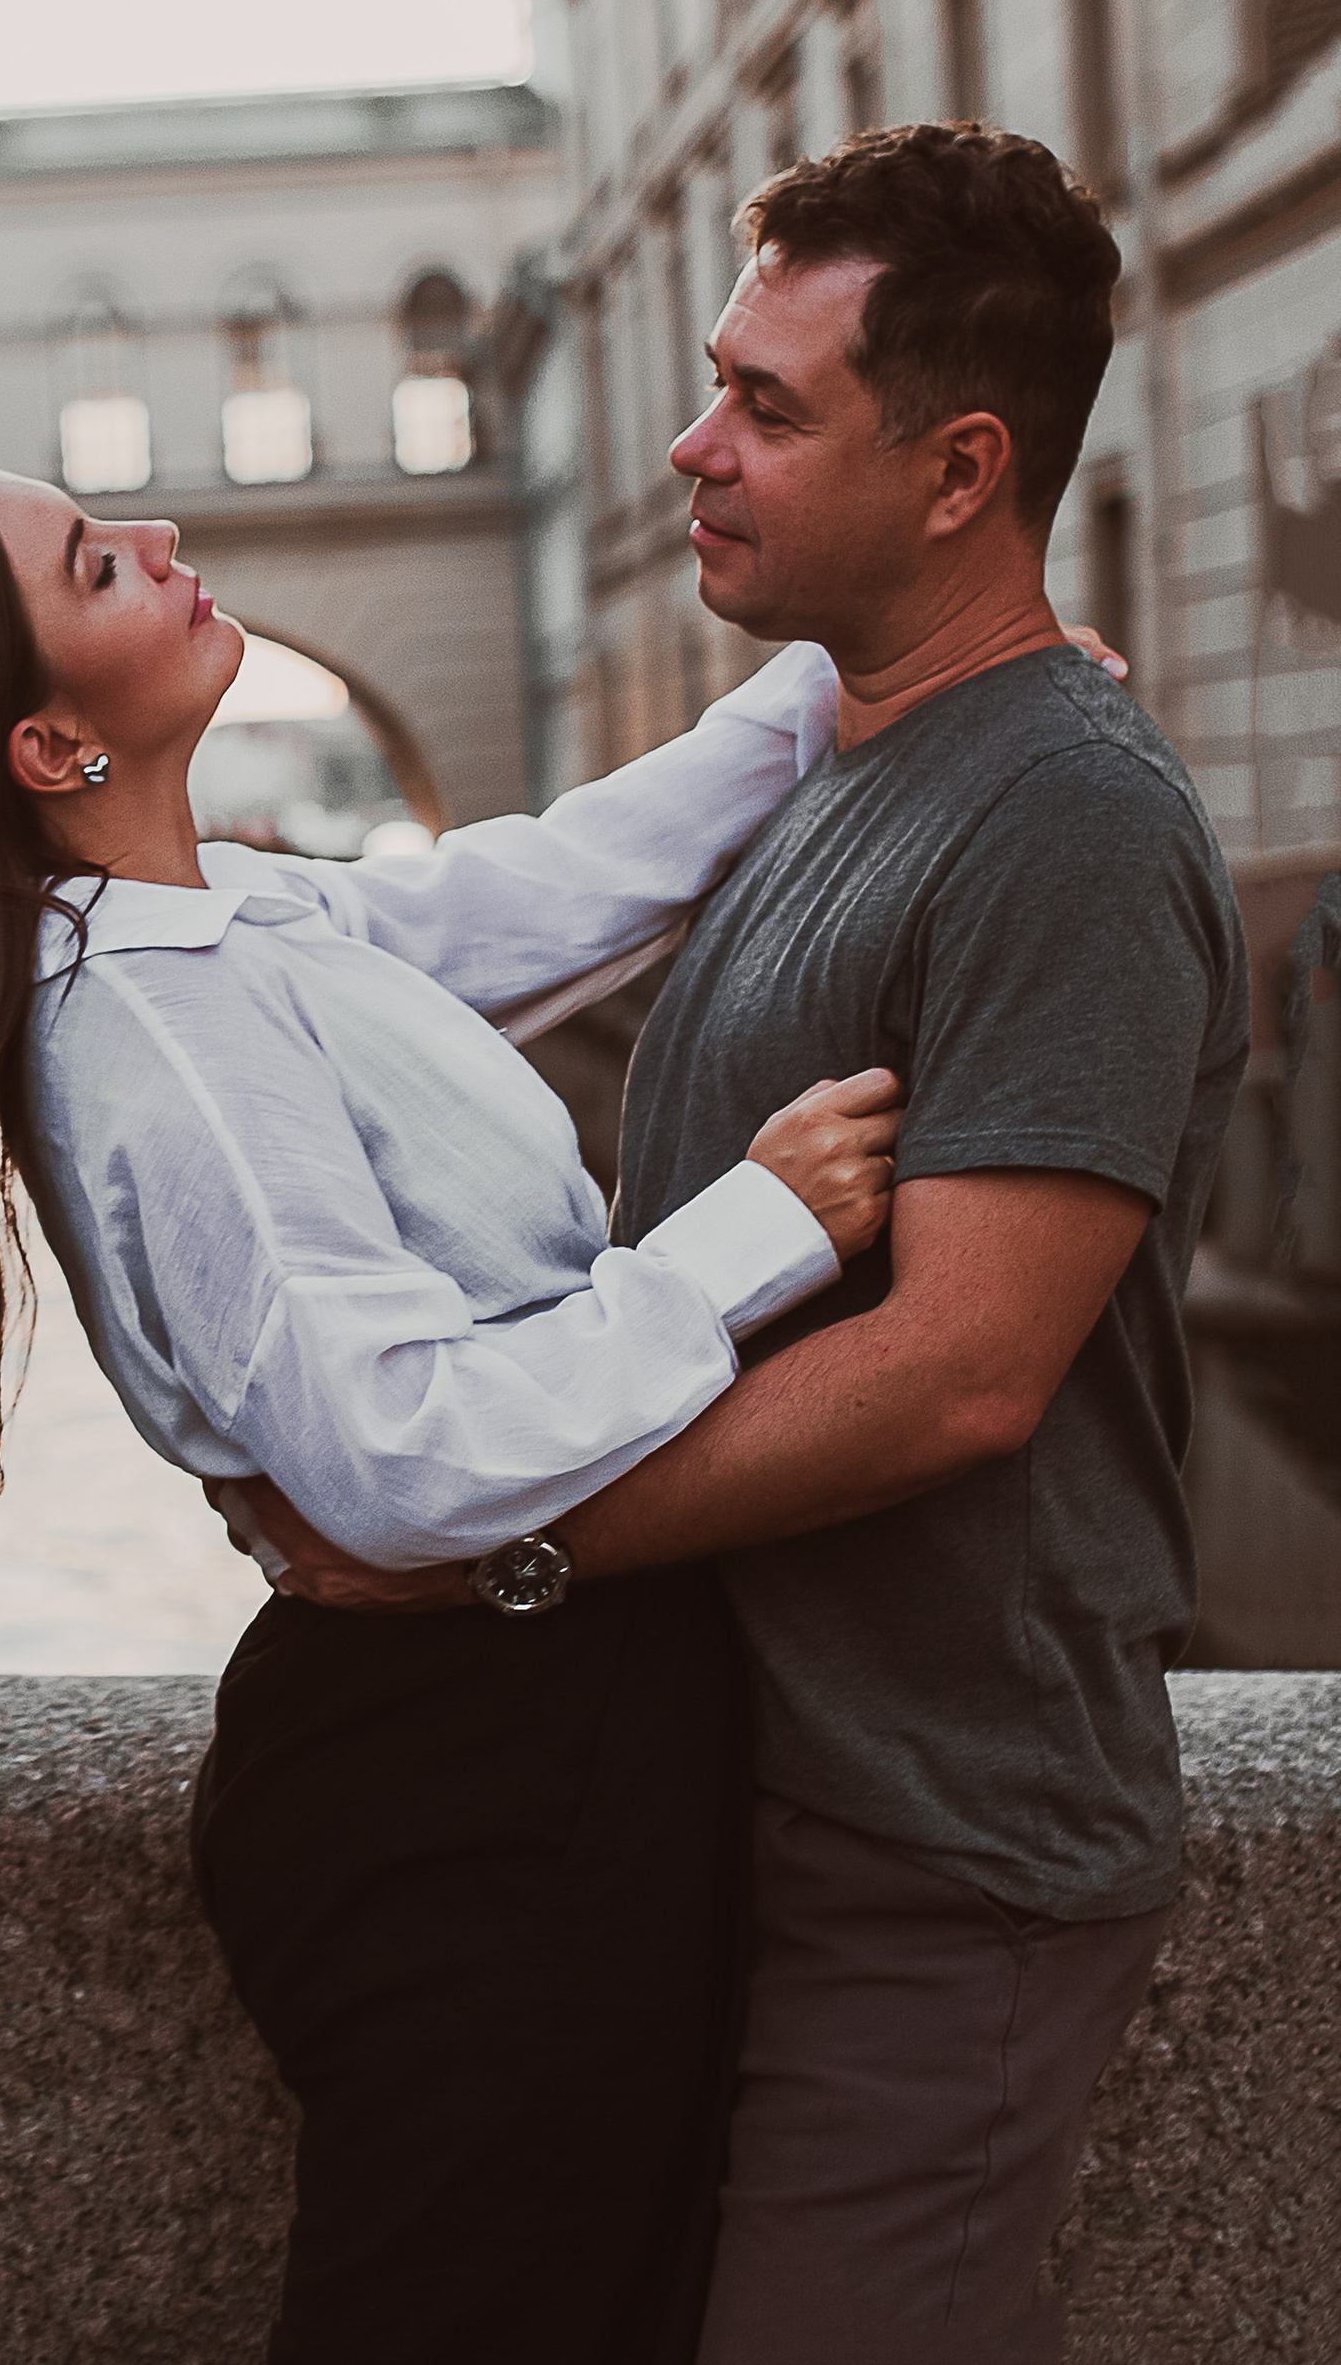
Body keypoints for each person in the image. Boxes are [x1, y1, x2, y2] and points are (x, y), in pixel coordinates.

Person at [0, 429, 909, 2362]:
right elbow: (405, 1451)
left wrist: (867, 674)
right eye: (99, 567)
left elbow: (547, 890)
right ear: (43, 747)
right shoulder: (151, 1025)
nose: (165, 544)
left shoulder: (226, 923)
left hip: (514, 1745)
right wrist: (755, 1231)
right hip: (472, 1783)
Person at [233, 123, 1248, 2365]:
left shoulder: (1060, 817)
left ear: (960, 466)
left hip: (934, 1851)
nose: (690, 445)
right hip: (728, 1821)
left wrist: (481, 1541)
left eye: (766, 408)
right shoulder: (839, 766)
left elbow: (960, 1369)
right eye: (714, 379)